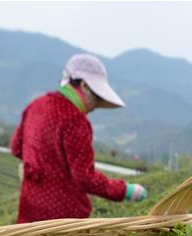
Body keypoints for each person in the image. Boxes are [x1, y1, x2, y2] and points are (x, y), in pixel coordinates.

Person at [10, 53, 147, 223]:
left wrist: (41, 166)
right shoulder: (75, 120)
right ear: (84, 86)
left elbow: (16, 147)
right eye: (96, 98)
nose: (94, 107)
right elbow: (85, 178)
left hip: (29, 212)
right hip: (64, 221)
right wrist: (125, 190)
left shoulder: (36, 105)